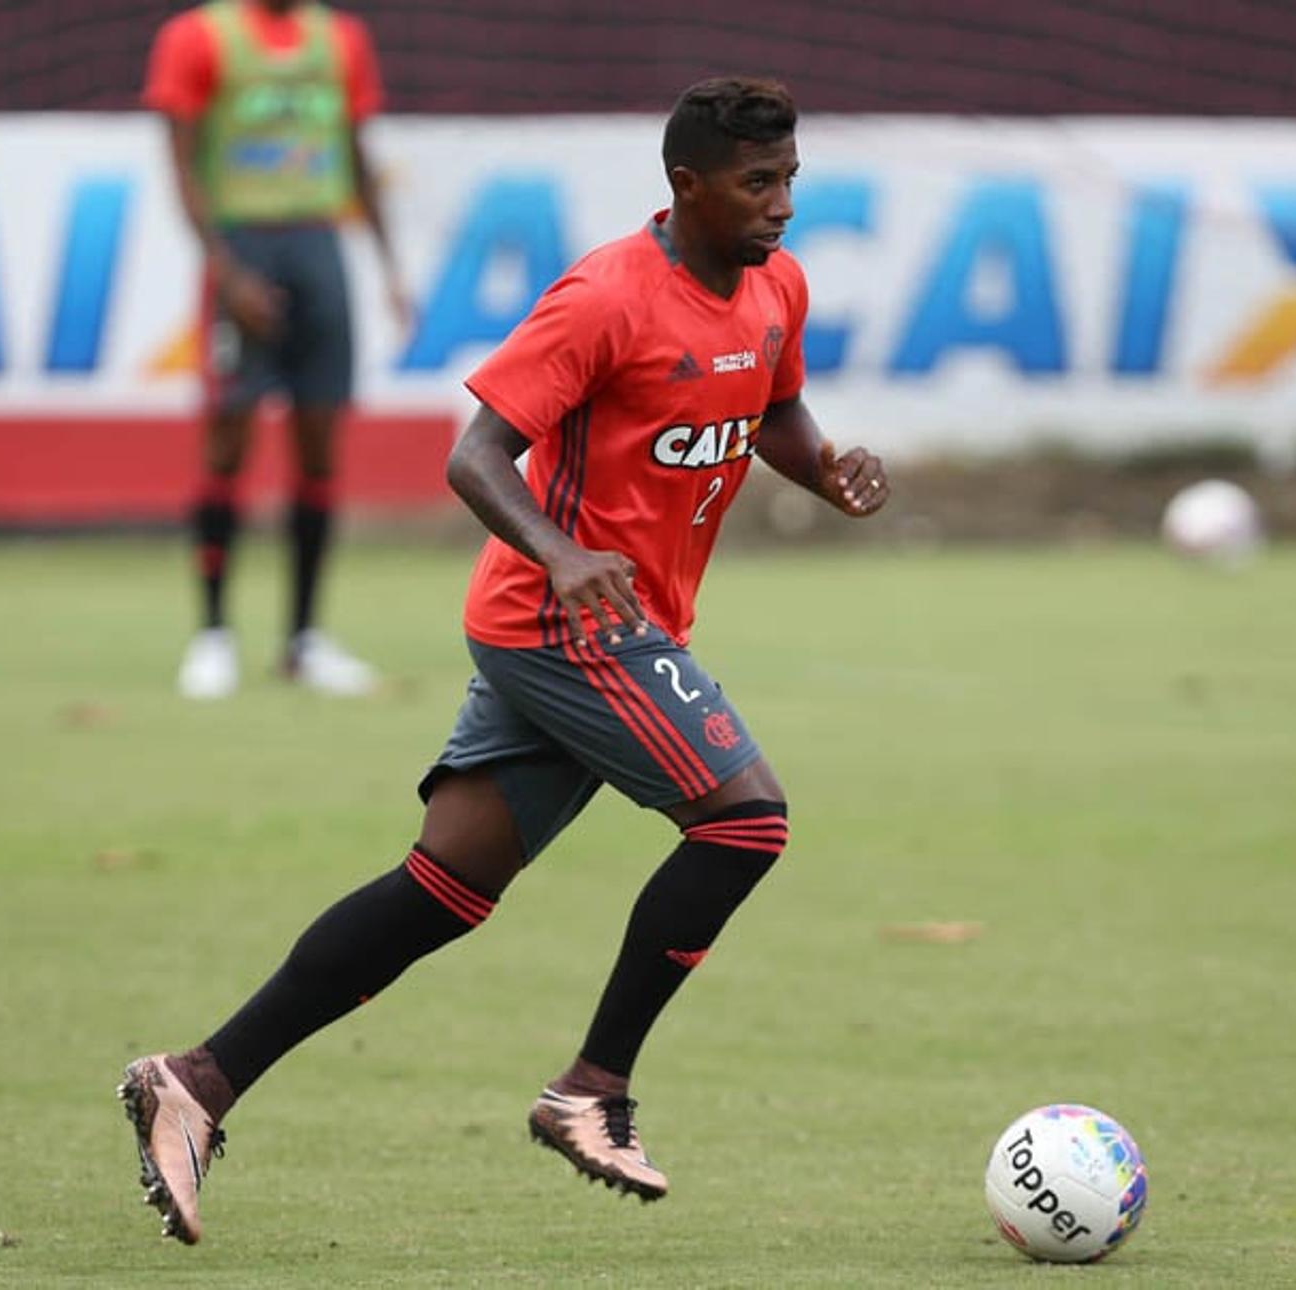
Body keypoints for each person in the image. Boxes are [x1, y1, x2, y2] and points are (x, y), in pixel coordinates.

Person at [115, 75, 891, 1245]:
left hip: (624, 626)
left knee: (446, 888)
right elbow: (476, 455)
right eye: (757, 183)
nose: (782, 205)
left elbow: (770, 404)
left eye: (789, 180)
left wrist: (824, 465)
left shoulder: (775, 284)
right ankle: (596, 1088)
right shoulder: (603, 297)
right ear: (686, 186)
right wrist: (561, 550)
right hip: (561, 621)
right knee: (746, 822)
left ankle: (198, 1082)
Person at [141, 0, 412, 699]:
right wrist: (228, 275)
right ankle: (212, 636)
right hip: (243, 243)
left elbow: (355, 155)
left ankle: (303, 640)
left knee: (319, 444)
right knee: (227, 439)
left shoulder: (341, 38)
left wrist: (387, 267)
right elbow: (182, 167)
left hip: (319, 246)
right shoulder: (198, 37)